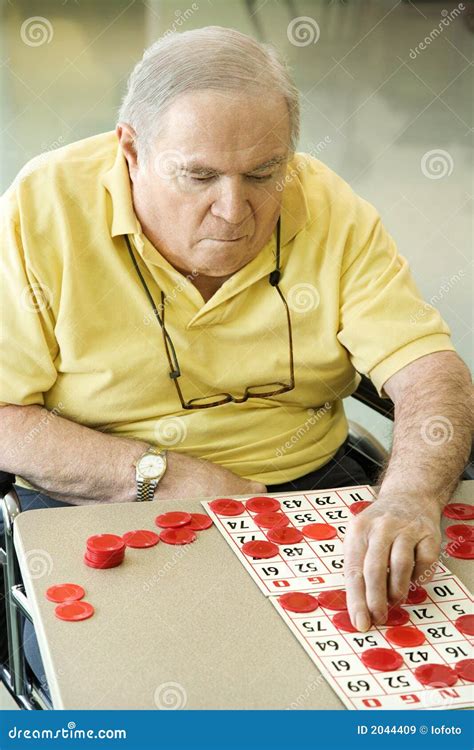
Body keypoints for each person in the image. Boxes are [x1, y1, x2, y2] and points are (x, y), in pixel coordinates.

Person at [0, 27, 472, 692]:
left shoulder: (330, 206)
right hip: (105, 497)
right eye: (198, 176)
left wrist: (410, 498)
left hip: (308, 483)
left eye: (262, 174)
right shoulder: (41, 209)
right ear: (129, 150)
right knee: (155, 694)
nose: (234, 211)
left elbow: (429, 369)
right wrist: (161, 477)